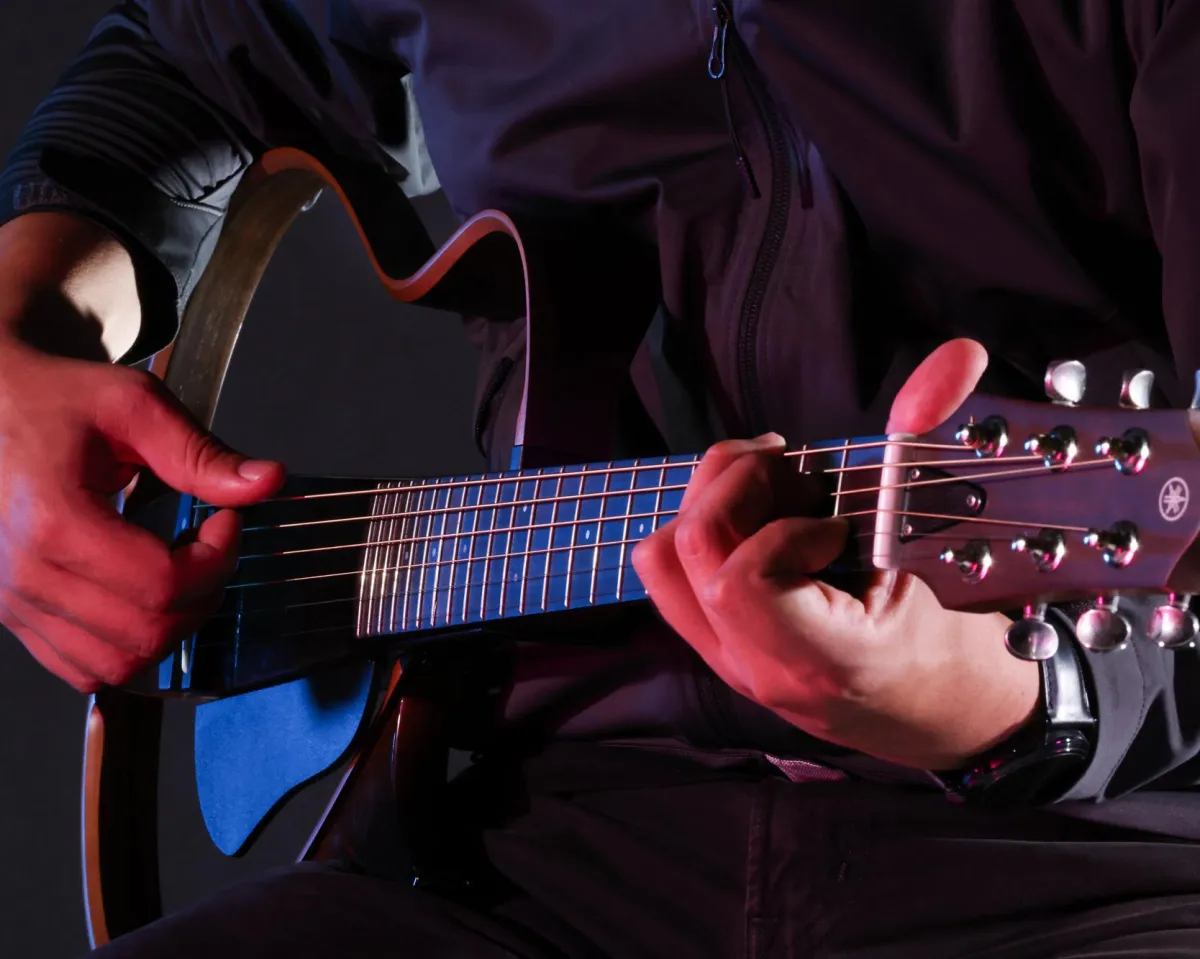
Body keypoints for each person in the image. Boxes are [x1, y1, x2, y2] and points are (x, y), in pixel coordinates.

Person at [2, 1, 1200, 956]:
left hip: (1112, 857)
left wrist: (1010, 706)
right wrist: (18, 346)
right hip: (545, 847)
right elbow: (180, 62)